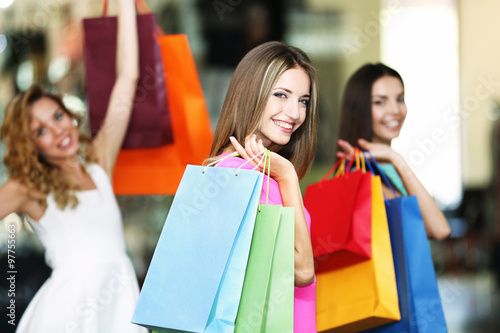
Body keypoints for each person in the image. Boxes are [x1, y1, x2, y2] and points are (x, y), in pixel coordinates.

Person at [0, 0, 147, 331]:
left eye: (57, 116)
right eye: (40, 130)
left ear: (68, 114)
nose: (57, 131)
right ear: (31, 145)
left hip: (120, 301)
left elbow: (128, 75)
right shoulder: (29, 188)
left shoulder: (98, 163)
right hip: (68, 313)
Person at [206, 41, 318, 332]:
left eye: (303, 100)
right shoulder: (234, 174)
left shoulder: (267, 172)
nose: (294, 113)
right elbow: (303, 271)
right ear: (250, 94)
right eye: (281, 95)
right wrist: (289, 177)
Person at [336, 63, 451, 240]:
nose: (396, 110)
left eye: (400, 99)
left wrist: (394, 158)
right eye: (380, 102)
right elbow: (439, 230)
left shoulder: (390, 167)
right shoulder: (358, 174)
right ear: (359, 109)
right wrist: (396, 159)